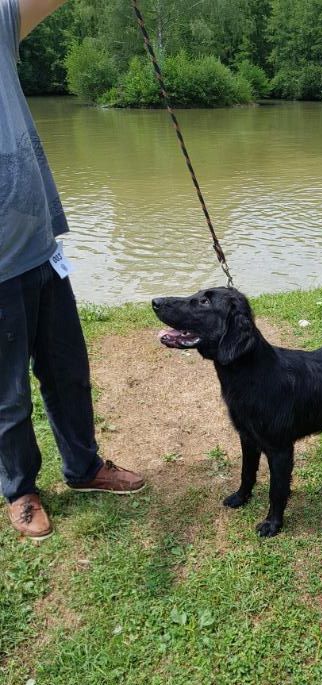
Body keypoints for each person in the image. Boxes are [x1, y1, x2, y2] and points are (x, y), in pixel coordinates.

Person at [1, 0, 145, 543]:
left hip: (41, 248)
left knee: (67, 370)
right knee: (7, 394)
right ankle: (20, 491)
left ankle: (83, 468)